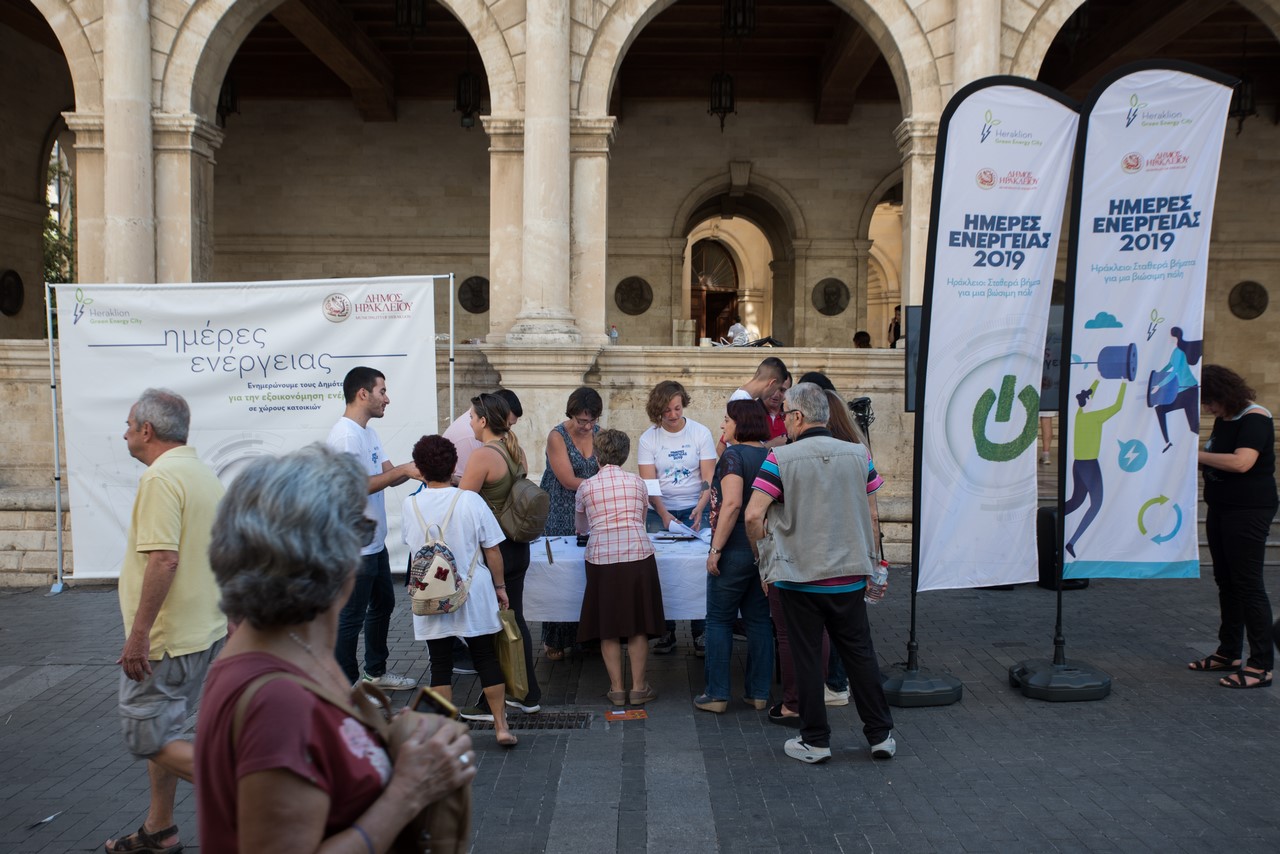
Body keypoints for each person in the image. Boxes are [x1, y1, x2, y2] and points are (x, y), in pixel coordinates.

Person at [196, 444, 476, 852]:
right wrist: (409, 792)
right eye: (362, 532)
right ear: (322, 554)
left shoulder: (294, 646)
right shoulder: (277, 699)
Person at [745, 382, 895, 765]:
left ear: (796, 417)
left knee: (808, 656)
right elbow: (874, 515)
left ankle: (816, 740)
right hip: (849, 573)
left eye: (787, 418)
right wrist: (875, 562)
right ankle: (880, 735)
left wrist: (765, 559)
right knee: (860, 653)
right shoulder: (859, 455)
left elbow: (752, 515)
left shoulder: (780, 459)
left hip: (799, 575)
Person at [106, 389, 228, 854]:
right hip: (200, 634)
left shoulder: (161, 479)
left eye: (128, 424)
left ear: (146, 430)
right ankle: (160, 830)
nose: (124, 433)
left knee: (144, 734)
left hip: (167, 640)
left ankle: (251, 793)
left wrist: (139, 636)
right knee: (168, 732)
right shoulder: (201, 473)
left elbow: (164, 560)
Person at [404, 435, 518, 744]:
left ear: (419, 469)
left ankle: (444, 733)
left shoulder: (409, 504)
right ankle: (501, 726)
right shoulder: (470, 500)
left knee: (440, 664)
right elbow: (492, 550)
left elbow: (413, 547)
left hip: (431, 591)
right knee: (485, 657)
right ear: (455, 465)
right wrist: (500, 587)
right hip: (472, 588)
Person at [327, 366, 419, 691]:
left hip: (374, 543)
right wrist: (404, 471)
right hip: (354, 547)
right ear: (363, 394)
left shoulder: (367, 432)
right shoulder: (345, 435)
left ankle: (375, 673)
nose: (388, 399)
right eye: (382, 391)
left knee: (383, 604)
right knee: (350, 618)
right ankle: (346, 688)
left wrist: (429, 472)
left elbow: (388, 472)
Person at [1189, 365, 1277, 689]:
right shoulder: (1225, 419)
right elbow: (1216, 456)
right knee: (1226, 581)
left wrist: (1193, 454)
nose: (1207, 408)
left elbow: (1242, 462)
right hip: (1222, 508)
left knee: (1248, 584)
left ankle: (1261, 664)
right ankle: (1229, 653)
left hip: (1249, 510)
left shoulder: (1256, 417)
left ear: (1224, 394)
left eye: (1210, 401)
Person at [459, 392, 541, 716]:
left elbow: (464, 504)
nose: (469, 422)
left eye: (471, 417)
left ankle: (500, 699)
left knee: (492, 627)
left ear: (483, 421)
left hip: (496, 550)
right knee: (514, 620)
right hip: (518, 546)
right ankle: (525, 692)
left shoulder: (482, 456)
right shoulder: (513, 448)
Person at [575, 429, 666, 706]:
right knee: (638, 624)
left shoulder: (586, 487)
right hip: (637, 554)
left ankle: (616, 689)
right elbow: (640, 519)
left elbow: (581, 528)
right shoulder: (638, 483)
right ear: (624, 455)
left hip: (601, 557)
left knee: (608, 625)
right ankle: (639, 687)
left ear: (597, 455)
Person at [697, 399, 774, 713]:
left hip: (735, 549)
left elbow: (731, 505)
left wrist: (716, 549)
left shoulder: (733, 456)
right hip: (764, 550)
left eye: (727, 420)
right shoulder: (771, 455)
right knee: (759, 622)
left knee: (718, 621)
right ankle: (759, 693)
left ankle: (717, 694)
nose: (722, 425)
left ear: (740, 424)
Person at [638, 380, 717, 655]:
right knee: (662, 569)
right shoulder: (649, 438)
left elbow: (708, 477)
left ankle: (701, 631)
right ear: (656, 412)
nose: (673, 416)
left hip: (698, 507)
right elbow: (649, 484)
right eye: (666, 411)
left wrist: (700, 505)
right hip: (660, 511)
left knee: (700, 566)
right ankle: (666, 631)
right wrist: (664, 513)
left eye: (677, 408)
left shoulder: (700, 433)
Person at [538, 386, 603, 660]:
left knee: (586, 571)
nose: (587, 426)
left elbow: (604, 467)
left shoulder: (599, 435)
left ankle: (585, 635)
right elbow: (566, 479)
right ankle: (554, 638)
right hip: (561, 507)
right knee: (560, 571)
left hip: (589, 507)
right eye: (581, 421)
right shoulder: (558, 436)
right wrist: (602, 486)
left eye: (592, 420)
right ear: (571, 415)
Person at [1063, 379, 1127, 558]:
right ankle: (1072, 541)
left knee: (1076, 501)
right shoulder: (1094, 417)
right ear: (1088, 401)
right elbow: (1117, 406)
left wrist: (1097, 380)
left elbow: (1088, 394)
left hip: (1078, 464)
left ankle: (1052, 522)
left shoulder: (1079, 414)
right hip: (1089, 465)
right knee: (1096, 504)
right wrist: (1123, 384)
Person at [441, 388, 523, 484]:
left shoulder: (484, 448)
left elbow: (467, 490)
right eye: (508, 424)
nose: (508, 429)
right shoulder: (470, 436)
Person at [1151, 326, 1203, 453]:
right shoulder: (1175, 352)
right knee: (1160, 409)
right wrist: (1157, 375)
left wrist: (1159, 385)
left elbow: (1174, 372)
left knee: (1193, 426)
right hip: (1184, 390)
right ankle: (1168, 442)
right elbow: (1170, 365)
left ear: (1175, 338)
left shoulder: (1179, 352)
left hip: (1189, 389)